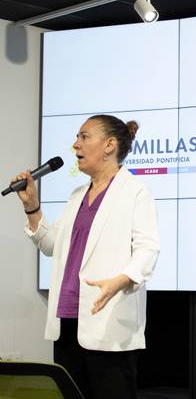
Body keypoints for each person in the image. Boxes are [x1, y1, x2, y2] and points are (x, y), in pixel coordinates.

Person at [10, 114, 160, 399]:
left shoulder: (136, 192)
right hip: (67, 320)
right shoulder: (77, 195)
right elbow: (53, 245)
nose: (75, 145)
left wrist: (122, 279)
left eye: (84, 137)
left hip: (107, 321)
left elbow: (148, 248)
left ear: (109, 145)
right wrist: (32, 207)